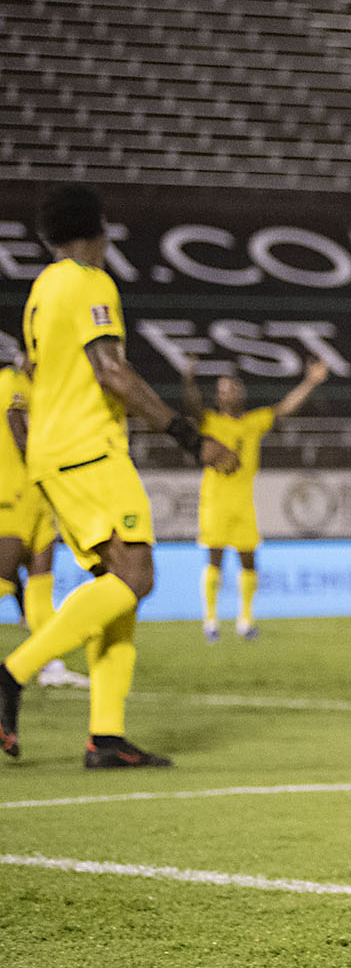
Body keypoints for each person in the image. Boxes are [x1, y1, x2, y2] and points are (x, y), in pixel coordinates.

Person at [1, 184, 237, 766]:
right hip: (90, 449)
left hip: (54, 455)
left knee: (118, 591)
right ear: (98, 227)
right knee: (137, 575)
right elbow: (112, 372)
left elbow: (32, 372)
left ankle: (105, 737)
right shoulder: (88, 282)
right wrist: (188, 435)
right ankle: (12, 675)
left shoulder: (42, 290)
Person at [183, 359, 331, 641]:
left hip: (244, 503)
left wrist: (310, 382)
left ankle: (245, 620)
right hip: (214, 501)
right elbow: (191, 406)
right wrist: (188, 378)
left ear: (242, 394)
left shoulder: (255, 422)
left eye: (234, 390)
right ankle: (211, 621)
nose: (230, 394)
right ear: (218, 396)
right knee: (214, 560)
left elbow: (286, 407)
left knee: (248, 561)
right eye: (224, 390)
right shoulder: (210, 422)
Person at [0, 339, 85, 692]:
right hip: (13, 493)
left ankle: (50, 664)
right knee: (3, 580)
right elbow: (19, 431)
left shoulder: (43, 390)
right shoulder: (10, 382)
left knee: (39, 588)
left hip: (40, 497)